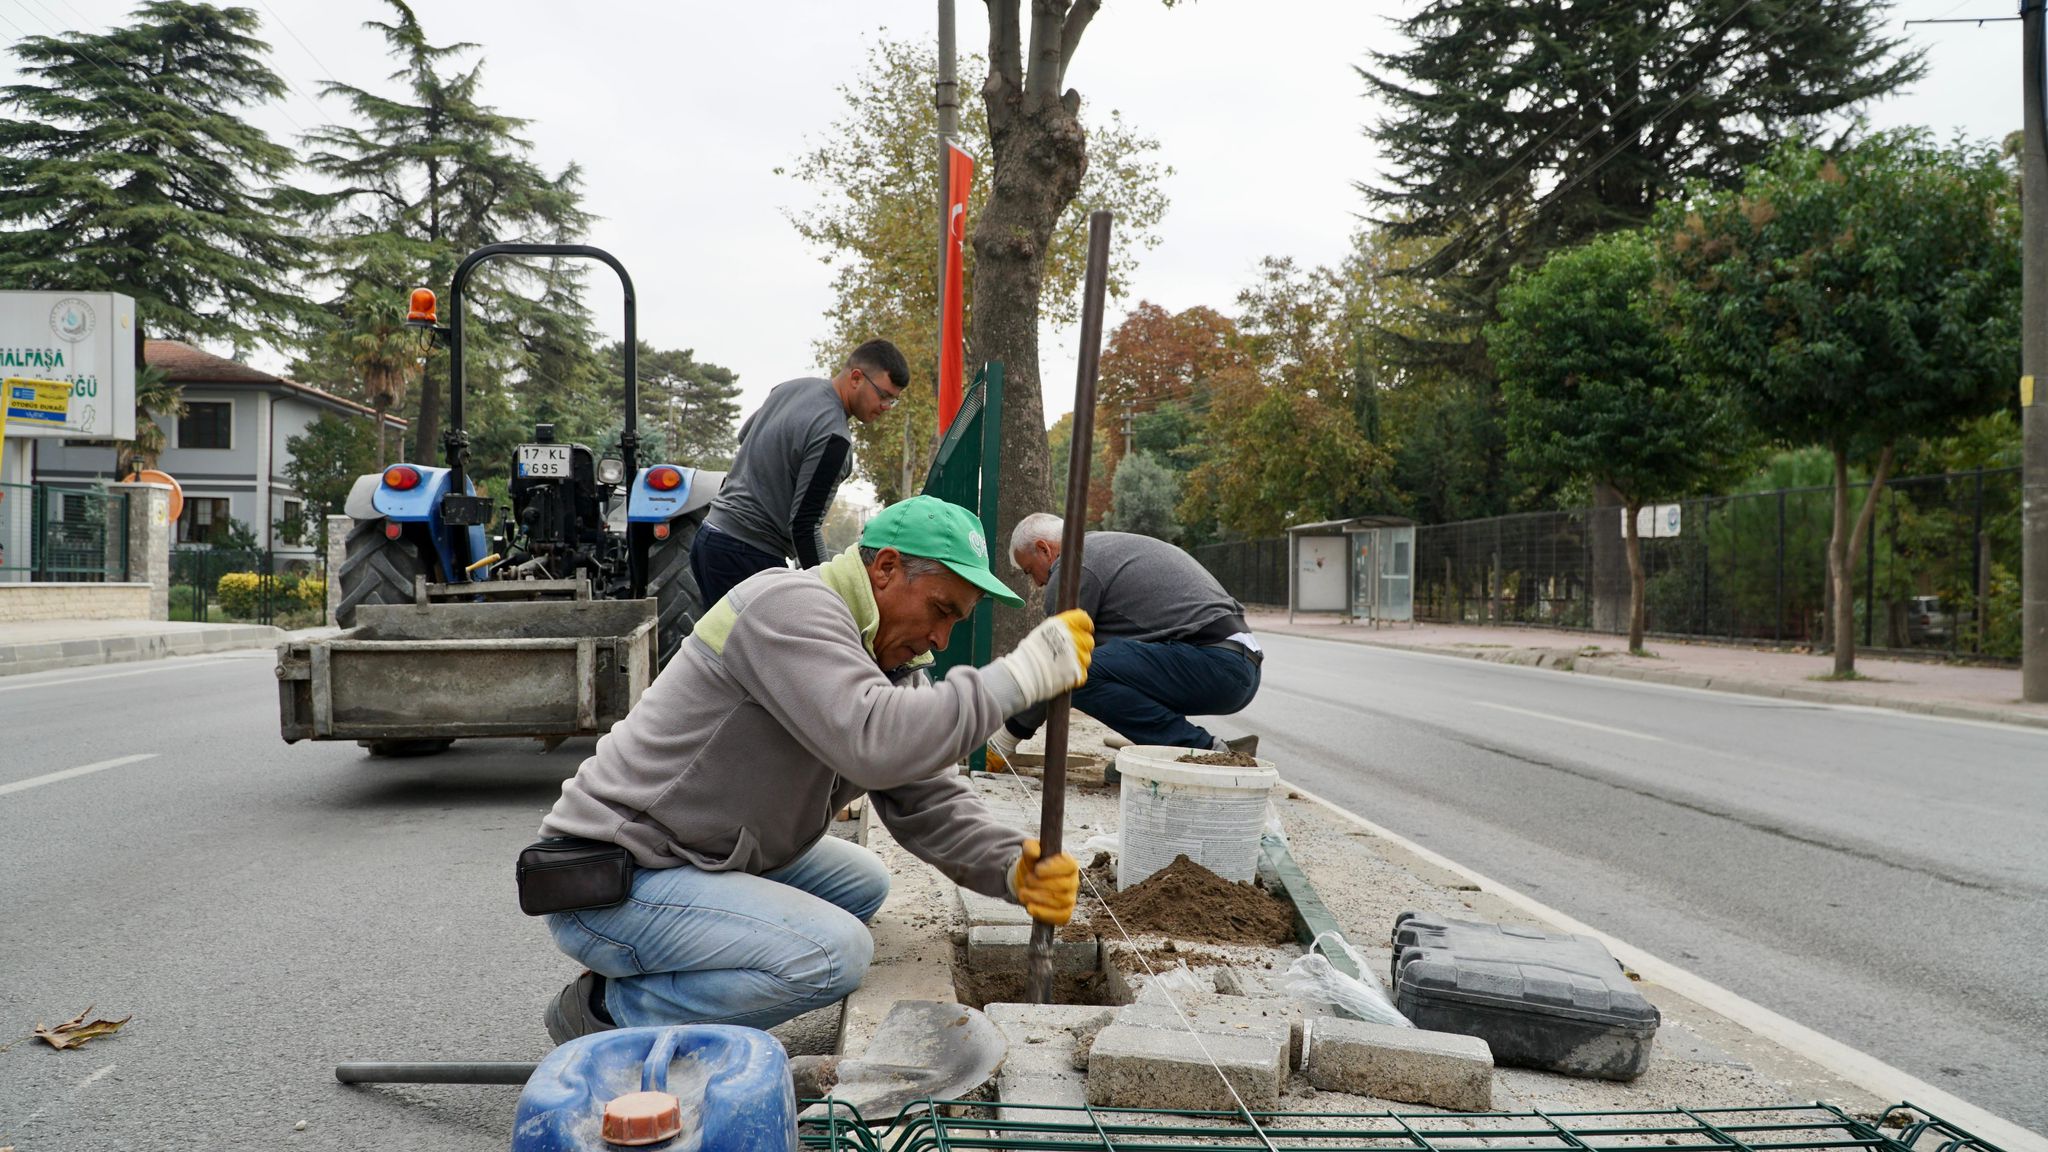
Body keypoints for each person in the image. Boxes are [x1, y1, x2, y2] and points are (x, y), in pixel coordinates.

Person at [538, 495, 1092, 1041]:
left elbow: (927, 800)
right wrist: (1015, 679)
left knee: (863, 884)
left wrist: (1011, 867)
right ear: (886, 568)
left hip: (692, 854)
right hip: (616, 876)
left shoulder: (882, 660)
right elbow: (873, 739)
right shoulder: (790, 607)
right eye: (941, 610)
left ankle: (675, 958)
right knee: (836, 953)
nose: (941, 639)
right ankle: (608, 1011)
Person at [989, 514, 1261, 765]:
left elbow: (1056, 661)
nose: (1037, 583)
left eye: (1029, 571)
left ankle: (1202, 751)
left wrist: (1004, 740)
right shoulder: (1101, 549)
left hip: (1218, 664)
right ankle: (1155, 751)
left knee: (1077, 671)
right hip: (1237, 663)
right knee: (1100, 663)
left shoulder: (1073, 566)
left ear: (1044, 549)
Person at [691, 339, 912, 608]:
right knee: (765, 649)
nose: (886, 407)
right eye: (884, 395)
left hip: (708, 538)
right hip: (747, 554)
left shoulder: (789, 389)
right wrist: (827, 593)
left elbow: (744, 435)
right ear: (856, 377)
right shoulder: (834, 438)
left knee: (723, 647)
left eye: (894, 401)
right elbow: (804, 526)